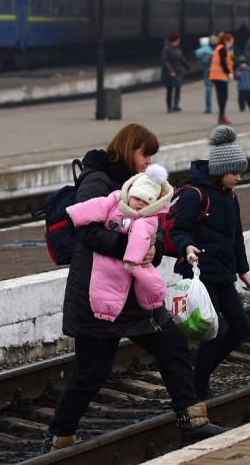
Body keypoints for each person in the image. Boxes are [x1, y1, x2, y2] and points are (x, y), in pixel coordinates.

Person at [42, 124, 225, 453]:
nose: (149, 160)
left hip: (137, 294)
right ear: (128, 150)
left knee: (173, 345)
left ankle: (192, 421)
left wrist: (153, 246)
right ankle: (60, 434)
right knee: (92, 374)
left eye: (152, 154)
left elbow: (151, 222)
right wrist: (134, 249)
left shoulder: (142, 184)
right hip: (100, 294)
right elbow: (87, 231)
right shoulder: (98, 179)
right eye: (145, 153)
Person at [170, 125, 250, 400]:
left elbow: (236, 235)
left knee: (242, 327)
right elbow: (178, 230)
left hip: (224, 271)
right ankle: (199, 387)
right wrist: (187, 246)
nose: (238, 178)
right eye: (234, 173)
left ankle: (198, 377)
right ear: (219, 171)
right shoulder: (195, 195)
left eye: (240, 172)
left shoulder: (230, 195)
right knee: (212, 333)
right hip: (200, 270)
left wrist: (243, 269)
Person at [63, 164, 173, 322]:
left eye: (146, 202)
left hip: (133, 264)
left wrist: (148, 251)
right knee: (107, 283)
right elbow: (98, 207)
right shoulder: (114, 198)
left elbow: (144, 234)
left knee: (150, 282)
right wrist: (76, 213)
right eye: (137, 198)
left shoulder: (148, 219)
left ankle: (153, 301)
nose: (140, 204)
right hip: (109, 264)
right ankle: (110, 309)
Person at [209, 33, 235, 125]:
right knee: (223, 97)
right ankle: (221, 116)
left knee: (221, 96)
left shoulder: (218, 48)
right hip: (221, 77)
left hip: (216, 76)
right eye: (231, 42)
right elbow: (223, 63)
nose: (232, 44)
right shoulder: (223, 49)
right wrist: (229, 73)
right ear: (226, 41)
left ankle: (222, 116)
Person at [161, 32, 189, 113]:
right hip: (170, 73)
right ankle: (169, 107)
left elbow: (181, 59)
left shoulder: (177, 49)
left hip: (178, 71)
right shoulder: (166, 50)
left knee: (177, 88)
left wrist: (187, 66)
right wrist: (170, 71)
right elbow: (165, 61)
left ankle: (176, 105)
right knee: (170, 90)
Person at [194, 35, 216, 115]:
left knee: (213, 90)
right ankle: (209, 108)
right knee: (209, 90)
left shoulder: (208, 50)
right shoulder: (208, 49)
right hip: (210, 72)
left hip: (214, 72)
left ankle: (212, 107)